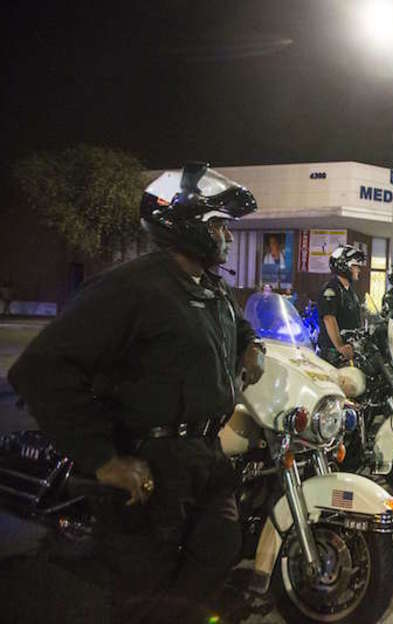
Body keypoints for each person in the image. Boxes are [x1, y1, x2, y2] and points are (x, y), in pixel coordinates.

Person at [7, 163, 266, 620]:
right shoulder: (130, 288)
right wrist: (104, 459)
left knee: (220, 547)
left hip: (206, 455)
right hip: (152, 465)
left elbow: (238, 327)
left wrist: (252, 347)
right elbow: (41, 370)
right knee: (146, 589)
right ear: (186, 224)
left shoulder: (211, 289)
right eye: (219, 226)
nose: (226, 237)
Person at [316, 244, 366, 365]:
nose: (358, 269)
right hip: (333, 354)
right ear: (343, 266)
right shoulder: (331, 289)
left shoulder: (349, 291)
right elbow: (329, 318)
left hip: (348, 352)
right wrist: (340, 346)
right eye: (355, 266)